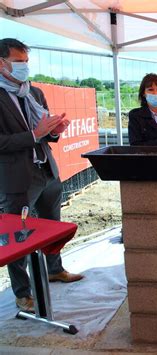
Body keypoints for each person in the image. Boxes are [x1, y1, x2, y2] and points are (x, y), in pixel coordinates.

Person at [0, 38, 83, 313]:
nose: (24, 67)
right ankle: (23, 293)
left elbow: (45, 133)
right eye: (18, 62)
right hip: (17, 178)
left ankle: (54, 269)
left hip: (46, 169)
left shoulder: (33, 93)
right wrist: (35, 134)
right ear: (1, 63)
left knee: (52, 225)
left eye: (26, 61)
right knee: (19, 236)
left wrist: (55, 131)